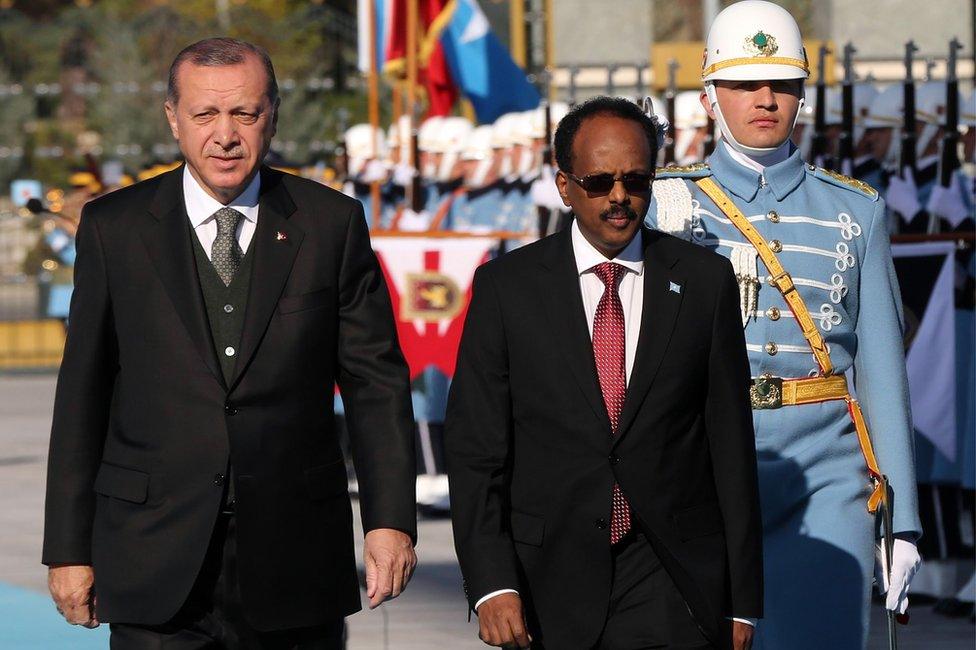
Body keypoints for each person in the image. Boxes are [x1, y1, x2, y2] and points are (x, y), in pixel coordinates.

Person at [42, 37, 418, 649]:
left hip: (294, 560)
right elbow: (82, 396)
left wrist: (390, 520)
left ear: (272, 114)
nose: (225, 135)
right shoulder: (115, 230)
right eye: (205, 115)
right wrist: (67, 550)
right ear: (172, 118)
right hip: (151, 559)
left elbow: (376, 383)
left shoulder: (330, 225)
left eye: (244, 113)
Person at [648, 3, 921, 648]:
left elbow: (882, 369)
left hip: (825, 466)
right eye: (745, 83)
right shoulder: (664, 203)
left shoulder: (854, 210)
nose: (765, 99)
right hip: (702, 461)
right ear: (711, 96)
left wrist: (903, 516)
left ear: (802, 94)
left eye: (782, 85)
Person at [447, 95, 763, 650]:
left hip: (672, 578)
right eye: (599, 182)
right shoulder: (507, 289)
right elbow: (476, 450)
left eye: (635, 180)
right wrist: (492, 584)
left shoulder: (704, 283)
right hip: (547, 583)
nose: (618, 198)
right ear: (565, 185)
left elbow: (730, 447)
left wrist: (744, 599)